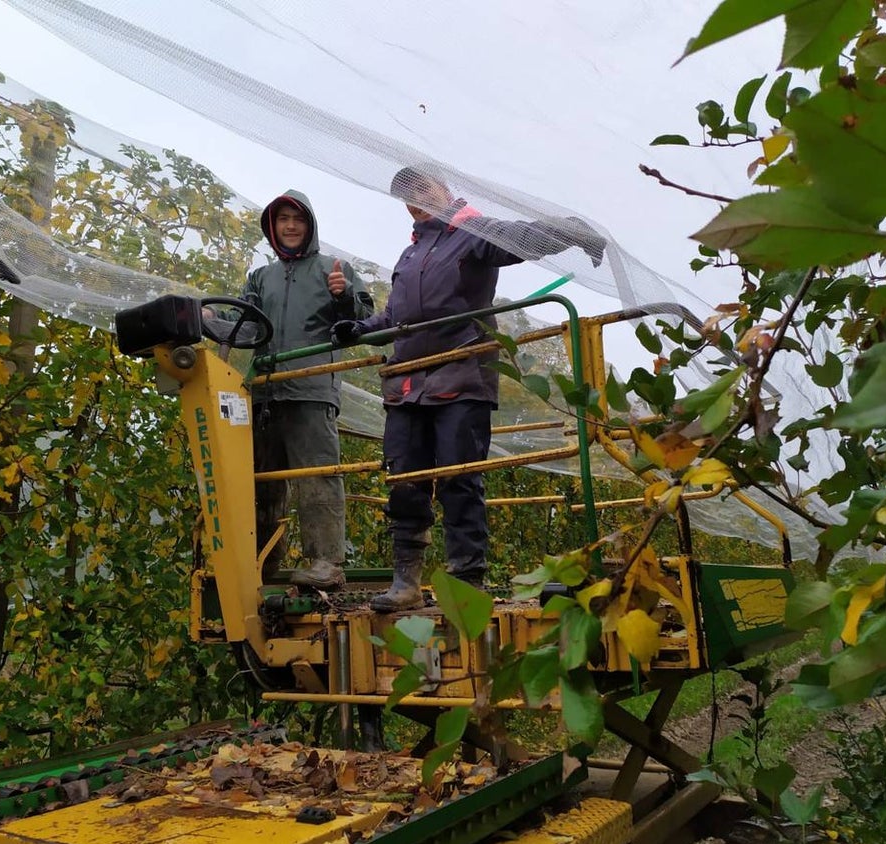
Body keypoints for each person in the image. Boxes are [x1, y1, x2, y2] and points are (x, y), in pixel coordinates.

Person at [332, 166, 606, 612]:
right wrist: (358, 328)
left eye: (423, 187)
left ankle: (466, 581)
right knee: (404, 481)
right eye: (408, 195)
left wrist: (572, 232)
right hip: (407, 383)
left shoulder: (472, 232)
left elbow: (520, 238)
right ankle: (406, 582)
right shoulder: (409, 256)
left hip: (461, 378)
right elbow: (395, 319)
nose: (417, 199)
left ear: (445, 189)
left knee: (459, 479)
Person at [228, 190, 374, 589]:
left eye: (298, 219)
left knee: (318, 476)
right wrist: (210, 316)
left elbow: (364, 319)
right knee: (261, 481)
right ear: (272, 228)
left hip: (310, 390)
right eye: (282, 220)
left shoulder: (333, 268)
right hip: (263, 392)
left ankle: (326, 562)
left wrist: (343, 298)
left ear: (309, 226)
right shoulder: (261, 277)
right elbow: (244, 321)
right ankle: (262, 564)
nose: (290, 226)